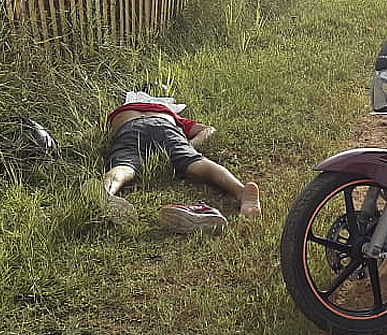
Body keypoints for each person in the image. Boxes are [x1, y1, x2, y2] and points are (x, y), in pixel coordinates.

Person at [90, 90, 262, 232]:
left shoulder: (119, 112)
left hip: (129, 127)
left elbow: (95, 135)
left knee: (125, 165)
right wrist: (190, 145)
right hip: (165, 126)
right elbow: (209, 130)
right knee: (195, 162)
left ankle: (107, 192)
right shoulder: (167, 112)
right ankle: (241, 191)